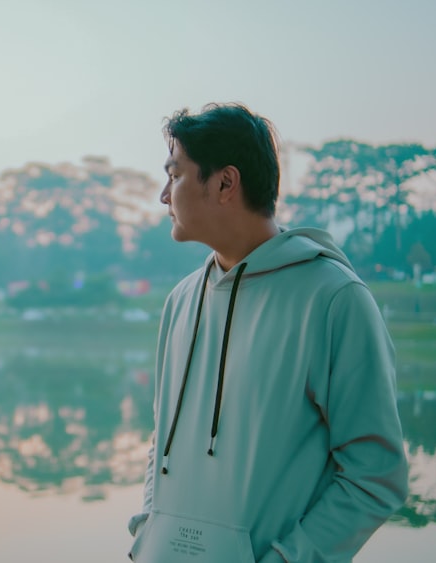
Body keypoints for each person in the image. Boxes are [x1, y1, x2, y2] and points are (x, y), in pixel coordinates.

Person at [126, 103, 408, 562]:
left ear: (224, 183)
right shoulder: (180, 301)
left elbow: (375, 474)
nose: (163, 195)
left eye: (174, 175)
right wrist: (147, 534)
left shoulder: (334, 298)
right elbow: (162, 443)